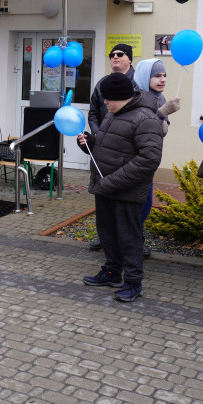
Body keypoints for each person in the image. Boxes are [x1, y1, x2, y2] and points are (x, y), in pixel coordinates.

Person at [76, 72, 164, 302]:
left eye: (108, 98)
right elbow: (107, 148)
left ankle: (134, 282)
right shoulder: (114, 114)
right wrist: (89, 143)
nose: (104, 102)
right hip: (105, 188)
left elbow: (149, 160)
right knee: (108, 233)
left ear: (123, 96)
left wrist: (112, 182)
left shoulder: (146, 119)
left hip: (125, 191)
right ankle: (112, 272)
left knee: (128, 237)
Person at [88, 43, 137, 251]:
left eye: (120, 54)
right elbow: (93, 113)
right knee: (104, 196)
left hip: (127, 151)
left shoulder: (139, 82)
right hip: (104, 150)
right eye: (112, 55)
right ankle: (105, 237)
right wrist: (98, 134)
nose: (115, 57)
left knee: (128, 202)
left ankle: (134, 241)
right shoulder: (102, 83)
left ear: (130, 60)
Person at [132, 58, 182, 258]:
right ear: (146, 76)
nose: (162, 80)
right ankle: (130, 243)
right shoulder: (134, 97)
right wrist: (161, 115)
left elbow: (161, 130)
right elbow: (139, 127)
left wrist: (164, 120)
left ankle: (136, 239)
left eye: (164, 76)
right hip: (133, 161)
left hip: (149, 161)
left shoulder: (159, 97)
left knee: (145, 203)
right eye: (157, 76)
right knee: (135, 204)